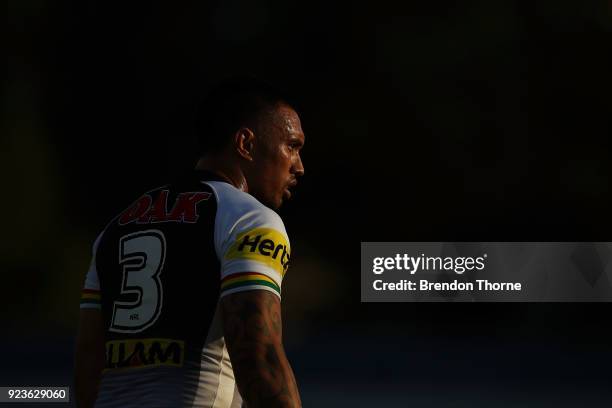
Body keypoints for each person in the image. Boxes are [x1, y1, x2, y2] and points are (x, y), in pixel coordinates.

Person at [74, 77, 305, 408]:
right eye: (292, 146)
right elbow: (258, 355)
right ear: (246, 143)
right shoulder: (249, 219)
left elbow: (88, 359)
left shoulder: (117, 227)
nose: (299, 165)